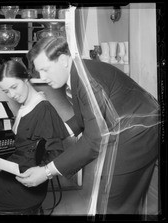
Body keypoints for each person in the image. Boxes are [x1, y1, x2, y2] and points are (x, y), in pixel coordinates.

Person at [16, 36, 160, 215]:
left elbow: (93, 142)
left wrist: (46, 172)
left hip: (137, 134)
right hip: (139, 127)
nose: (43, 78)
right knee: (120, 199)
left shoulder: (87, 81)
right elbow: (89, 114)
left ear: (62, 60)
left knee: (112, 204)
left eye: (45, 70)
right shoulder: (80, 71)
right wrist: (60, 132)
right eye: (39, 72)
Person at [0, 60, 69, 214]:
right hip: (19, 171)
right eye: (6, 91)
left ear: (26, 78)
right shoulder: (26, 107)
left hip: (30, 183)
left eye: (14, 87)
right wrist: (0, 166)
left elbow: (57, 153)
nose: (12, 95)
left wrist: (42, 172)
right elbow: (23, 151)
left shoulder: (43, 109)